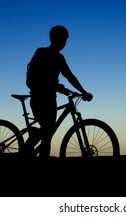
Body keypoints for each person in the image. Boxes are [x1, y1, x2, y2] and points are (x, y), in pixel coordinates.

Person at [26, 25, 93, 158]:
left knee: (48, 134)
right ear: (54, 38)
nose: (64, 43)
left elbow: (70, 76)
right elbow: (36, 77)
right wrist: (57, 87)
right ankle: (26, 151)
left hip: (51, 99)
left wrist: (83, 91)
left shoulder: (60, 58)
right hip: (39, 98)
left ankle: (32, 148)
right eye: (62, 39)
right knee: (47, 131)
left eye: (65, 40)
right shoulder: (41, 52)